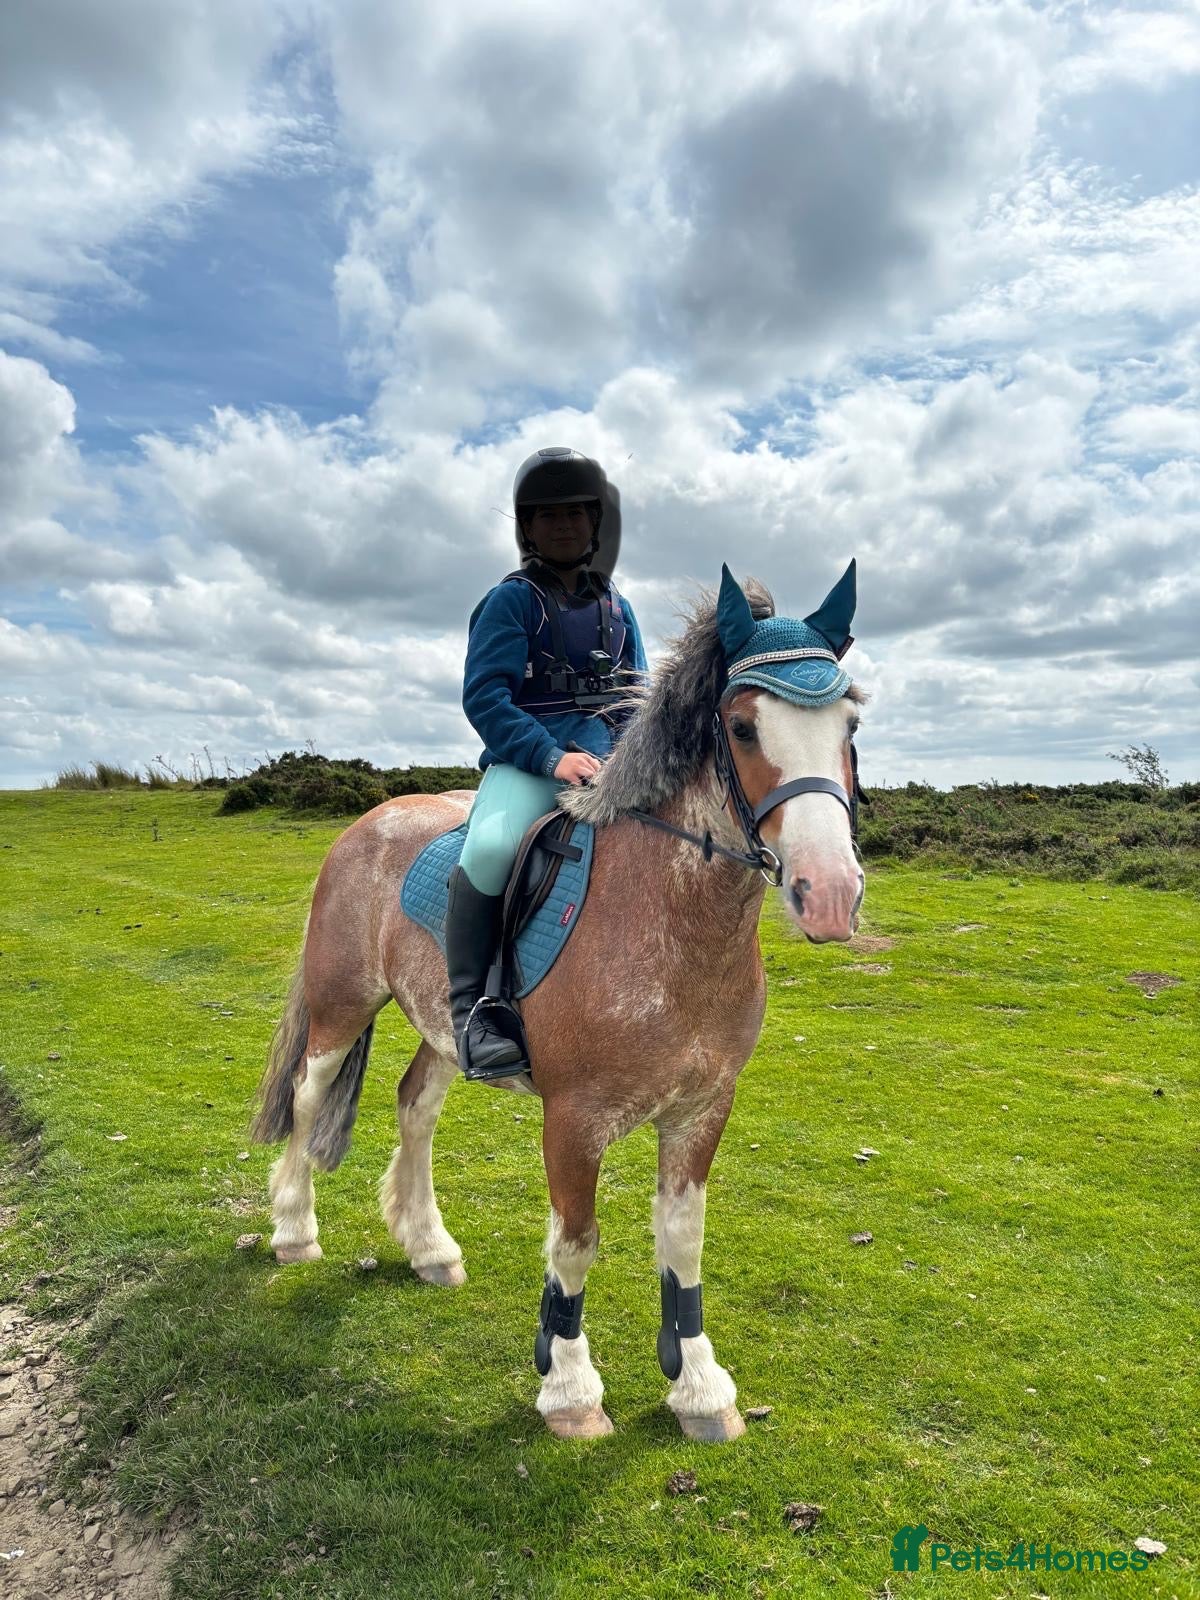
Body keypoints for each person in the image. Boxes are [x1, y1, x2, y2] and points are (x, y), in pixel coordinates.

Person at [446, 448, 647, 1081]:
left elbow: (638, 697)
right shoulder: (509, 602)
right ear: (527, 528)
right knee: (489, 849)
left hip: (611, 767)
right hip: (527, 764)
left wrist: (632, 759)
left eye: (575, 514)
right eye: (547, 515)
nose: (563, 526)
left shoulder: (619, 609)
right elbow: (485, 697)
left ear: (595, 523)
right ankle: (474, 1014)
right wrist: (550, 755)